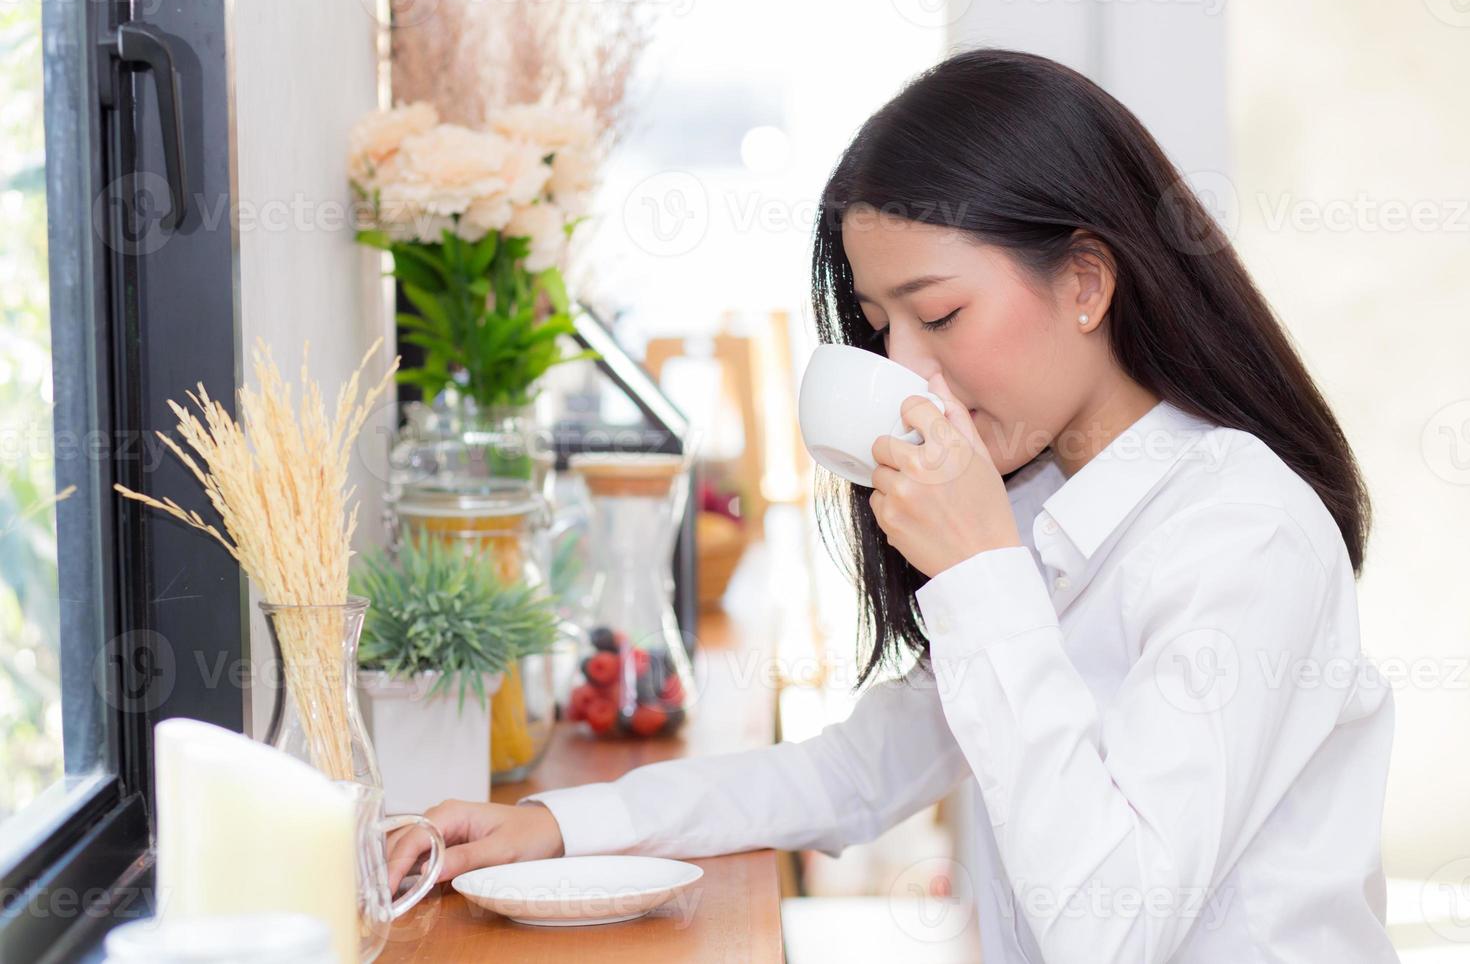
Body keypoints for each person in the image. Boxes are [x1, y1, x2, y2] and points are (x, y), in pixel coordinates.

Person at [386, 48, 1396, 963]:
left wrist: (978, 569)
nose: (906, 368)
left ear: (1087, 282)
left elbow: (1110, 927)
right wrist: (561, 824)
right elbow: (854, 772)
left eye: (942, 312)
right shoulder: (1046, 501)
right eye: (878, 327)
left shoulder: (1243, 535)